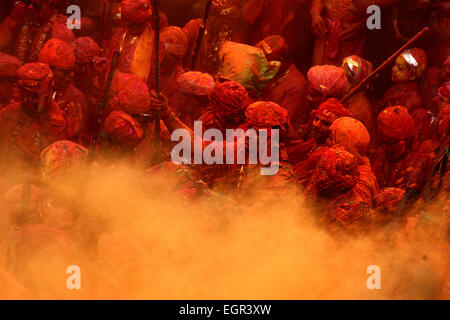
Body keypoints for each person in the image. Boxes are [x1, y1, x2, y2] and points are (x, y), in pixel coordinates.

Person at [0, 62, 67, 185]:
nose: (33, 102)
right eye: (28, 96)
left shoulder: (56, 124)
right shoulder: (7, 115)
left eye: (39, 97)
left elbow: (53, 173)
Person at [38, 39, 87, 144]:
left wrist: (72, 135)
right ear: (48, 69)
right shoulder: (35, 94)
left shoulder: (77, 98)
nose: (71, 75)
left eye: (72, 70)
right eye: (65, 72)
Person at [0, 0, 75, 63]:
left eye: (36, 6)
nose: (30, 7)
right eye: (27, 3)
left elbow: (64, 68)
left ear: (51, 6)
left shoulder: (61, 32)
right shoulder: (17, 18)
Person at [255, 35, 308, 125]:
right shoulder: (273, 72)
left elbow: (281, 123)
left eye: (265, 61)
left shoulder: (297, 85)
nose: (262, 64)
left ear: (280, 61)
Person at [310, 0, 367, 66]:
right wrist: (315, 14)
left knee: (348, 73)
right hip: (325, 31)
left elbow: (376, 8)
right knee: (319, 72)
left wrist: (363, 24)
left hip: (351, 36)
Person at [341, 55, 377, 147]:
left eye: (345, 77)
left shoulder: (358, 109)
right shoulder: (349, 97)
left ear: (356, 84)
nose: (339, 78)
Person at [381, 48, 428, 113]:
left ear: (412, 76)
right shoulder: (395, 88)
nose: (393, 69)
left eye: (400, 68)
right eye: (395, 64)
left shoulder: (413, 102)